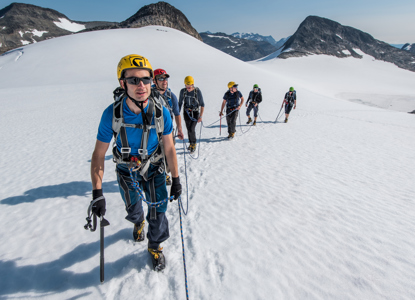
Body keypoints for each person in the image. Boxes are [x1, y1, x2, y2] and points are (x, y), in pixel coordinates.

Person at [90, 54, 182, 271]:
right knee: (133, 208)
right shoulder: (111, 115)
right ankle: (137, 220)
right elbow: (98, 155)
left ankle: (155, 245)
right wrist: (97, 192)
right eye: (133, 80)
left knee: (159, 211)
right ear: (123, 84)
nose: (141, 85)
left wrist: (176, 178)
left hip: (154, 166)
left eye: (145, 79)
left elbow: (168, 147)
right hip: (126, 169)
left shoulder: (162, 113)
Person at [152, 68, 184, 185]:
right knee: (154, 154)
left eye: (165, 78)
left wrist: (179, 128)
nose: (164, 81)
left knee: (168, 153)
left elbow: (176, 113)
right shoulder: (148, 95)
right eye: (161, 78)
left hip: (168, 130)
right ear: (154, 81)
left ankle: (165, 173)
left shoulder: (171, 96)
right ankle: (158, 173)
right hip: (152, 131)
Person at [178, 76, 205, 153]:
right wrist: (177, 113)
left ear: (193, 84)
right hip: (186, 112)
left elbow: (202, 104)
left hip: (195, 113)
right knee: (188, 128)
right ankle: (191, 143)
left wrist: (200, 116)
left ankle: (193, 143)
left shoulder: (197, 92)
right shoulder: (183, 91)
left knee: (191, 129)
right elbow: (180, 103)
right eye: (187, 86)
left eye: (190, 86)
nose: (188, 88)